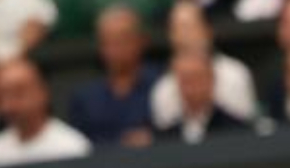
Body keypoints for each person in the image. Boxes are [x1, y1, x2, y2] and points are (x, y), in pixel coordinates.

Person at [150, 2, 257, 131]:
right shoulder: (163, 89)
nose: (184, 36)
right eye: (177, 29)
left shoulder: (235, 75)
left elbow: (245, 132)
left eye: (189, 27)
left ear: (208, 30)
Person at [66, 5, 158, 147]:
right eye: (108, 41)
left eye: (123, 39)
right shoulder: (84, 99)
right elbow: (78, 147)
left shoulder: (163, 86)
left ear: (142, 41)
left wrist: (154, 139)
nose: (116, 48)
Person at [0, 55, 90, 166]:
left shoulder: (72, 147)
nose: (9, 105)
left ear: (42, 92)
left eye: (18, 93)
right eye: (2, 96)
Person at [154, 46, 246, 141]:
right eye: (185, 81)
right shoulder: (166, 136)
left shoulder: (236, 130)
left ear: (211, 80)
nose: (191, 88)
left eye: (196, 79)